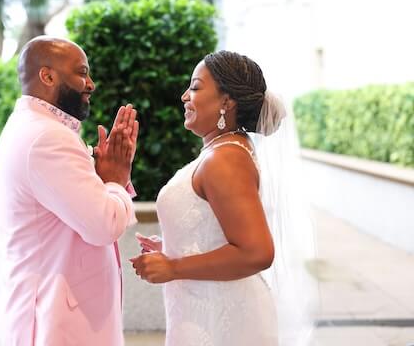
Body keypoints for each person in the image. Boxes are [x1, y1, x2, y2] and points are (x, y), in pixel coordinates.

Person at [132, 50, 315, 345]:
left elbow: (257, 252)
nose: (184, 96)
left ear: (226, 102)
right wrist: (175, 248)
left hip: (221, 319)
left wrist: (174, 267)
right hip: (203, 308)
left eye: (195, 86)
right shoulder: (224, 150)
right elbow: (218, 230)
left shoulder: (225, 159)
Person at [0, 36, 139, 346]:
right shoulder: (47, 137)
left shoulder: (32, 127)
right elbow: (103, 225)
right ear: (47, 76)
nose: (91, 84)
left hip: (55, 309)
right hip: (57, 320)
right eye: (82, 73)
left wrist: (106, 181)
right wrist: (115, 179)